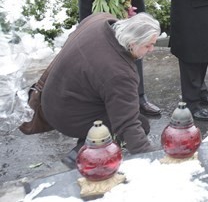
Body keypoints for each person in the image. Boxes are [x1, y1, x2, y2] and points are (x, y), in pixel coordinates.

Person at [41, 12, 160, 157]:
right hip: (67, 116)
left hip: (51, 95)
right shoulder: (119, 72)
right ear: (132, 43)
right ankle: (80, 154)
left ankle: (89, 144)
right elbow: (127, 124)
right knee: (141, 124)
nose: (151, 50)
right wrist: (150, 157)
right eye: (148, 46)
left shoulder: (99, 20)